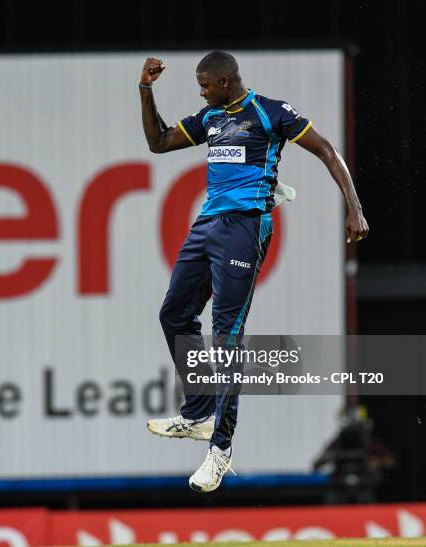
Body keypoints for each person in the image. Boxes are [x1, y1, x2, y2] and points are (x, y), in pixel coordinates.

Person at [139, 51, 369, 493]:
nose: (200, 91)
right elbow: (159, 142)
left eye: (205, 84)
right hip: (208, 223)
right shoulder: (211, 116)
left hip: (244, 228)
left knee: (228, 336)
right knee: (173, 315)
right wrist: (145, 90)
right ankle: (198, 414)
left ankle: (220, 451)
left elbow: (326, 150)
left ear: (226, 80)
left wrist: (355, 208)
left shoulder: (271, 111)